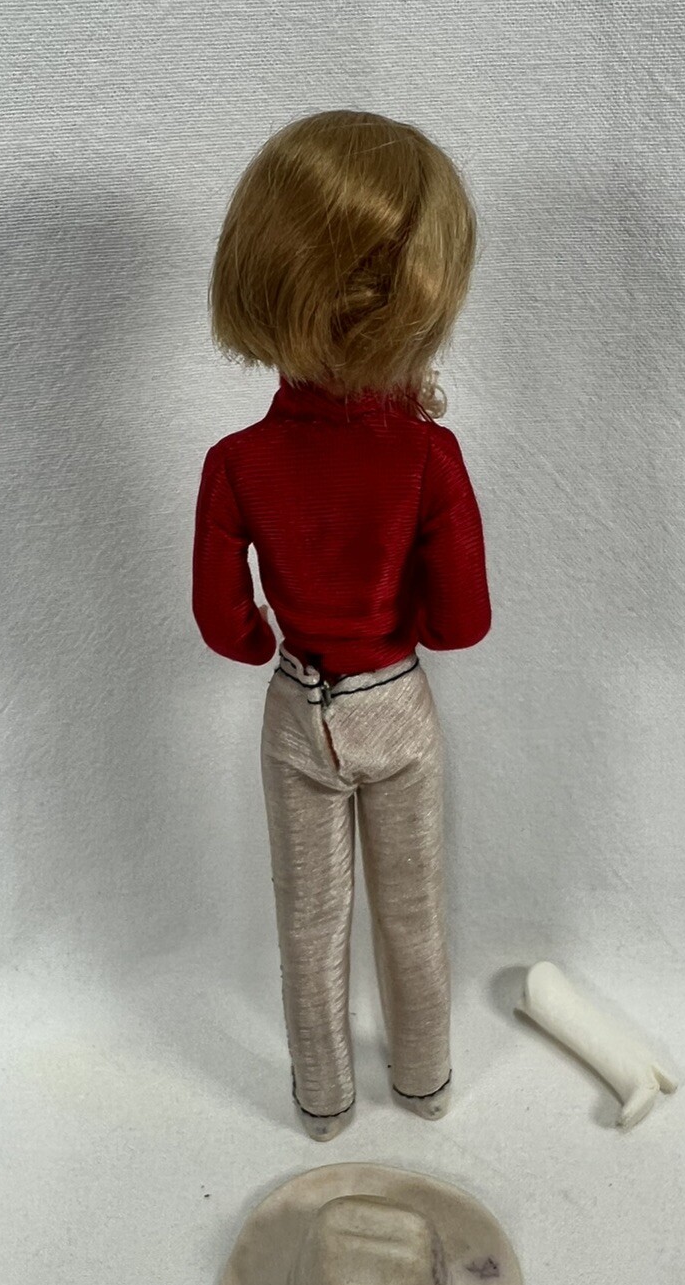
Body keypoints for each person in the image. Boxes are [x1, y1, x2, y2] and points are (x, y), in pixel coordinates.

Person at [193, 109, 490, 1139]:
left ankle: (322, 1099)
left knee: (310, 925)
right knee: (414, 914)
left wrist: (266, 636)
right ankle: (424, 1078)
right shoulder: (428, 458)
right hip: (393, 700)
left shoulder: (238, 463)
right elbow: (462, 622)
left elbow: (224, 624)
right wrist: (401, 614)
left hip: (298, 703)